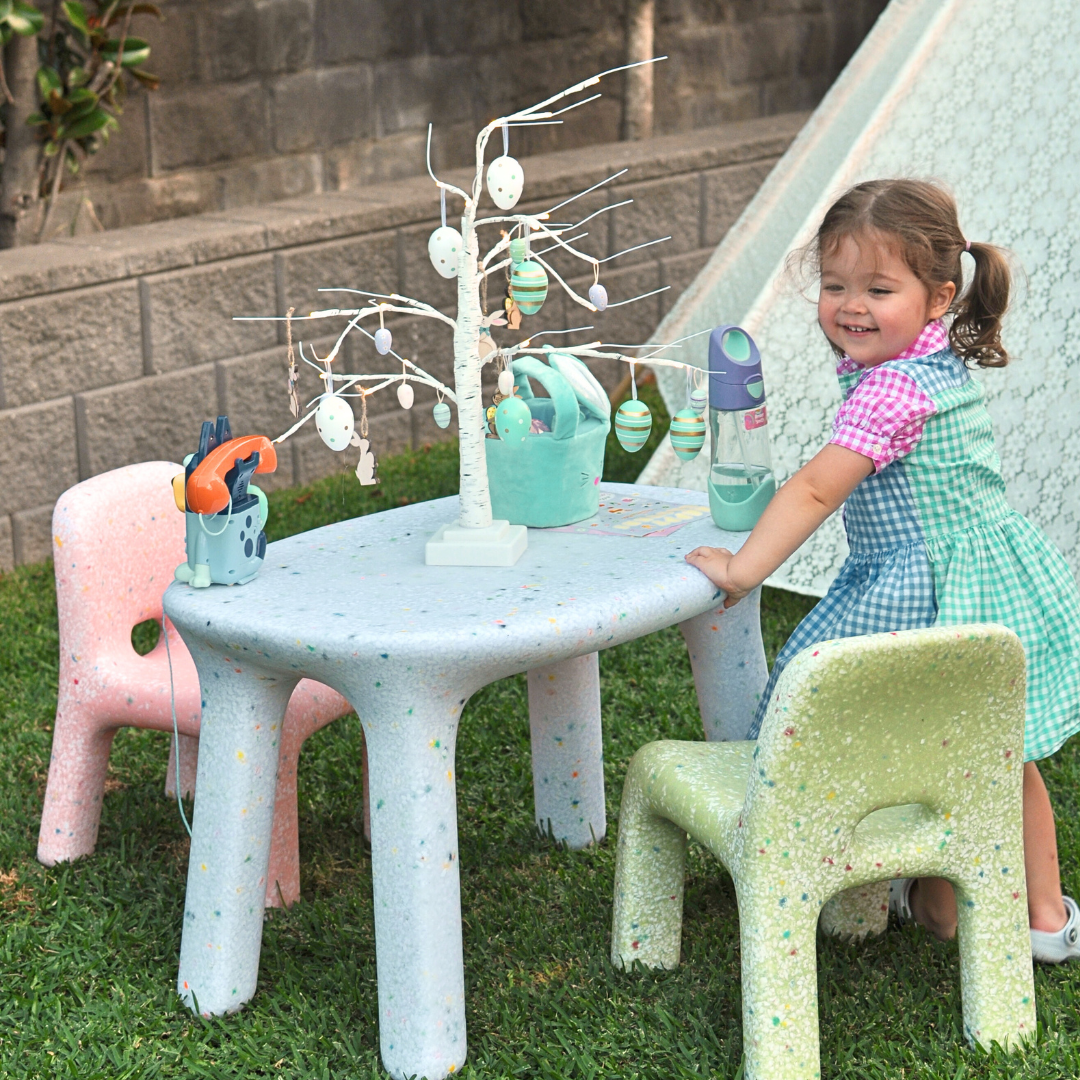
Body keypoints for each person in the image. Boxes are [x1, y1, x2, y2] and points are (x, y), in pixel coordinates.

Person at [685, 179, 1080, 963]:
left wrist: (742, 569)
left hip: (932, 587)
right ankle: (1034, 918)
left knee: (843, 713)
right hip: (993, 578)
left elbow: (816, 488)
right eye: (834, 286)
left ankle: (876, 881)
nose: (850, 306)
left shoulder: (890, 388)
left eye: (877, 288)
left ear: (937, 299)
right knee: (1001, 751)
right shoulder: (928, 363)